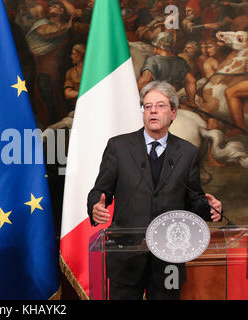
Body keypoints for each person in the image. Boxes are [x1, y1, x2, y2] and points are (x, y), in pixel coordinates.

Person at [87, 81, 222, 300]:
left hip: (169, 258)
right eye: (147, 106)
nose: (153, 111)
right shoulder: (118, 147)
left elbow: (194, 198)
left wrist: (210, 209)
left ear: (173, 113)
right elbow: (100, 190)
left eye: (160, 106)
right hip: (126, 256)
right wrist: (95, 205)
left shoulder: (187, 153)